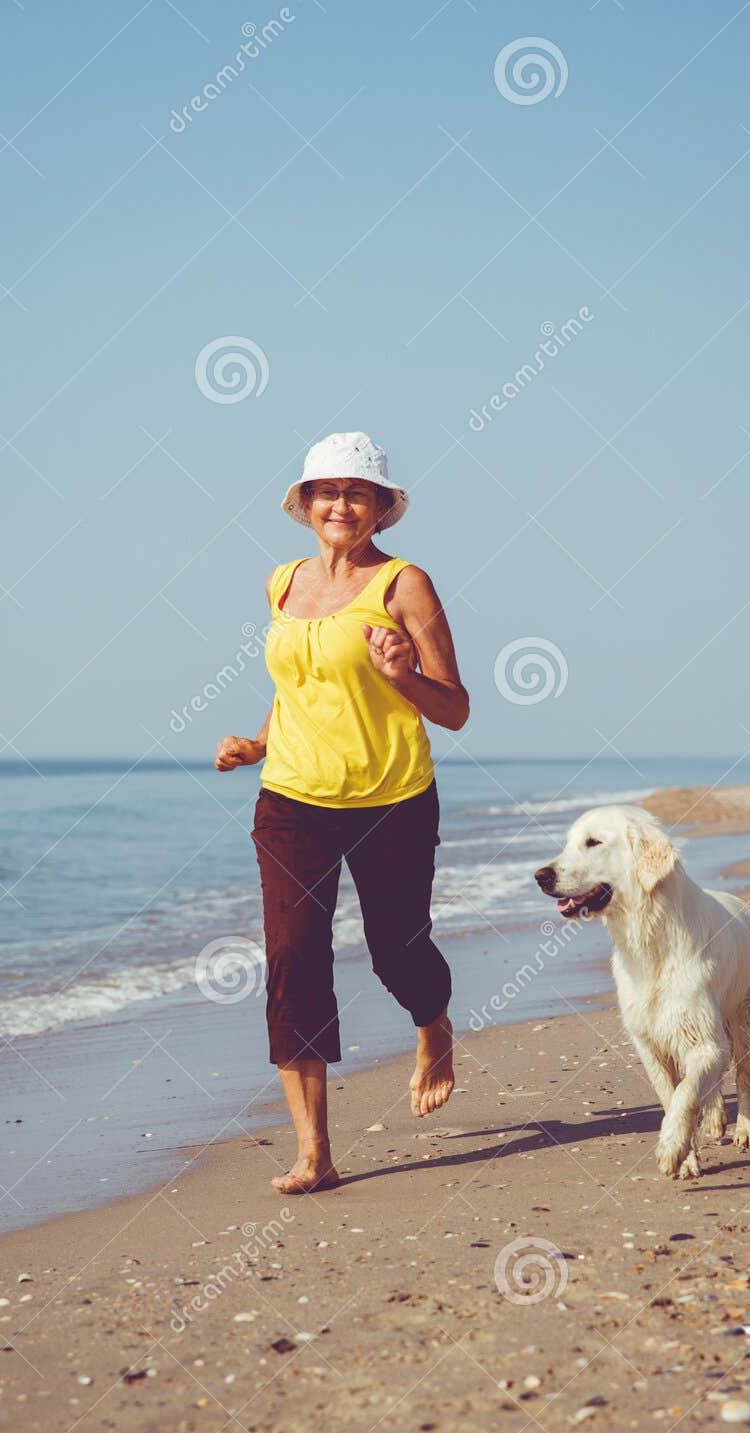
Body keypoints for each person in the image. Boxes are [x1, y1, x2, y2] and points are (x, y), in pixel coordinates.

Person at [215, 431, 469, 1194]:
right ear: (305, 503)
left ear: (382, 508)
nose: (341, 504)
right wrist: (259, 742)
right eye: (327, 490)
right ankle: (314, 1152)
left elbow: (453, 709)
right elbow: (301, 681)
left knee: (397, 949)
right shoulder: (281, 582)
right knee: (294, 959)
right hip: (291, 798)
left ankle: (434, 1027)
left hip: (390, 798)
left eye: (358, 492)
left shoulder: (404, 585)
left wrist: (401, 676)